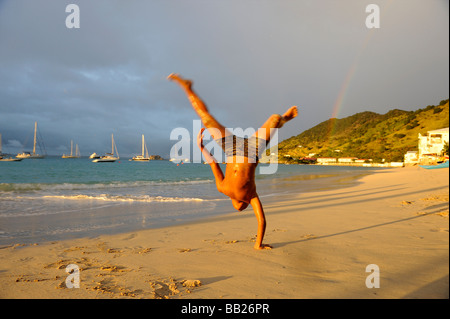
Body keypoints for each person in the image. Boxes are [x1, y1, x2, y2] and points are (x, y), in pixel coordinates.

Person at [168, 73, 297, 249]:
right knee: (275, 118)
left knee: (205, 117)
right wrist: (258, 244)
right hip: (252, 151)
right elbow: (261, 220)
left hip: (231, 149)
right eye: (242, 208)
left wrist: (201, 147)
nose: (239, 209)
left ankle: (187, 87)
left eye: (238, 209)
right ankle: (284, 119)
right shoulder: (251, 196)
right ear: (243, 204)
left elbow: (213, 163)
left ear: (234, 203)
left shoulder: (223, 187)